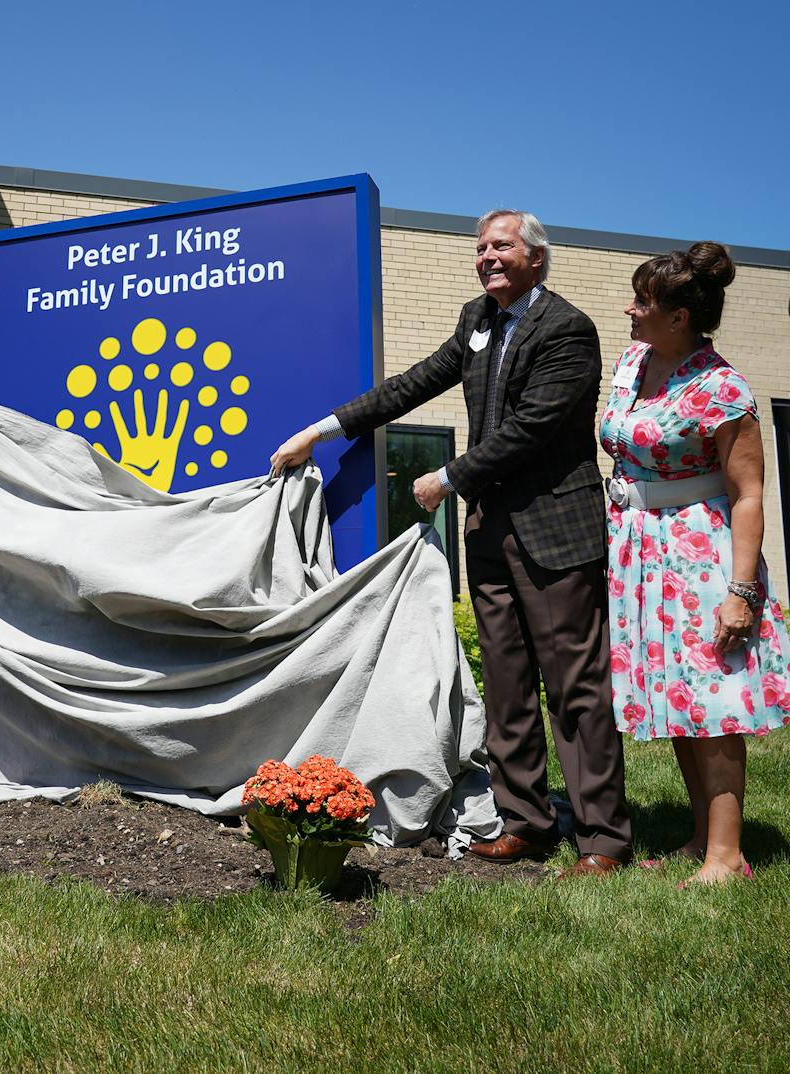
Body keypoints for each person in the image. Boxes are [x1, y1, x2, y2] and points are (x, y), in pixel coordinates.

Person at [270, 209, 633, 876]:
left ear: (536, 258)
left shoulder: (567, 329)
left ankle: (603, 838)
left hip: (555, 530)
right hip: (491, 532)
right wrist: (321, 430)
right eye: (481, 248)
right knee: (506, 686)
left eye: (502, 246)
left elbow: (534, 426)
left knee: (575, 688)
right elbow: (413, 383)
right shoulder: (477, 320)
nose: (487, 257)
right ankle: (525, 820)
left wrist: (448, 476)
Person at [600, 242, 790, 885]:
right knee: (681, 701)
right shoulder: (632, 362)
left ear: (680, 317)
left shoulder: (722, 388)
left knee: (712, 704)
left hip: (698, 558)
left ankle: (729, 855)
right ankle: (702, 837)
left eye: (643, 303)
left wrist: (741, 591)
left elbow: (749, 494)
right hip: (639, 553)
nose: (630, 310)